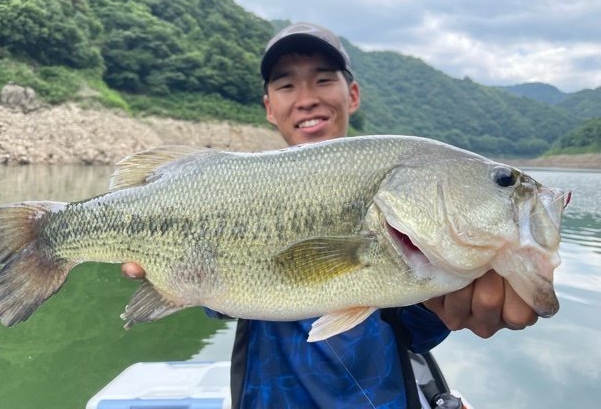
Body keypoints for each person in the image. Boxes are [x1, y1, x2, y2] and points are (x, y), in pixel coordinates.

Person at [121, 22, 538, 408]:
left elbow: (415, 325)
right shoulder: (233, 185)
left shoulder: (396, 190)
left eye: (323, 79)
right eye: (286, 85)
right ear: (269, 107)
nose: (306, 98)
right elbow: (222, 303)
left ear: (351, 95)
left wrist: (450, 305)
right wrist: (178, 278)